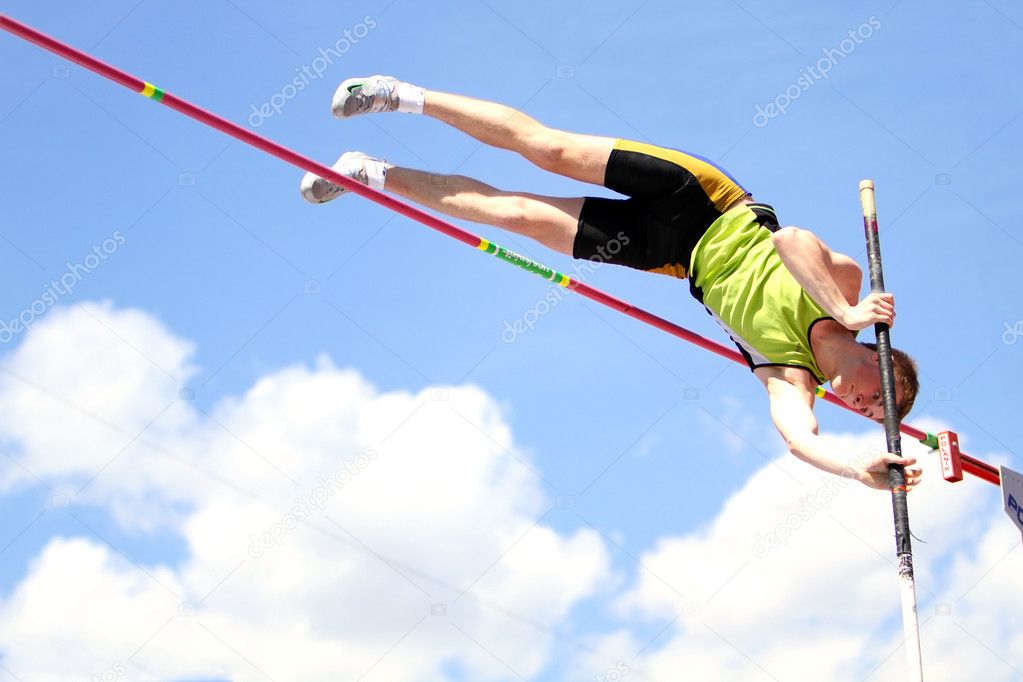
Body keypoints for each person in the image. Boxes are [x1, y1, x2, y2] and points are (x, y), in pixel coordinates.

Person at [300, 75, 922, 491]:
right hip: (704, 201)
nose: (864, 408)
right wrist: (846, 311)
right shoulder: (847, 290)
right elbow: (792, 241)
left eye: (869, 415)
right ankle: (399, 95)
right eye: (879, 399)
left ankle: (367, 173)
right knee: (549, 150)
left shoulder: (789, 378)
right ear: (882, 359)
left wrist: (856, 467)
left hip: (669, 254)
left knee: (515, 216)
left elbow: (798, 439)